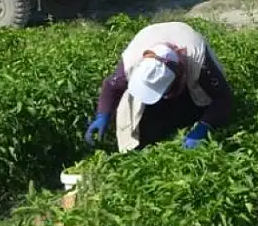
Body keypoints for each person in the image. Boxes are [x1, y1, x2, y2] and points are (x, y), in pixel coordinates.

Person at [85, 21, 233, 152]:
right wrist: (102, 116)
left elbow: (224, 98)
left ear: (178, 77)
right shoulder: (132, 59)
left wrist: (204, 127)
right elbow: (112, 86)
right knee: (144, 118)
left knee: (196, 109)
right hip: (151, 38)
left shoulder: (198, 60)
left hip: (187, 64)